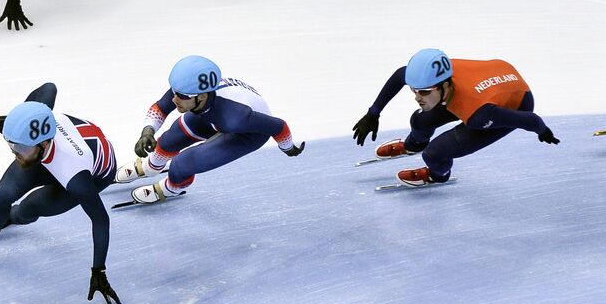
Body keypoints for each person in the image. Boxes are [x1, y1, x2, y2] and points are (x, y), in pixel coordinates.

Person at [0, 83, 121, 304]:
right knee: (0, 197)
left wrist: (99, 270)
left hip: (92, 174)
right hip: (56, 157)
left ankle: (11, 216)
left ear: (43, 143)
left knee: (29, 208)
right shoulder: (40, 118)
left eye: (20, 148)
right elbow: (50, 87)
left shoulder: (75, 175)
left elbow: (100, 219)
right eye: (12, 146)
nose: (15, 153)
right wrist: (16, 119)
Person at [353, 49, 559, 187]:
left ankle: (438, 175)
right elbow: (400, 75)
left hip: (515, 101)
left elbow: (530, 119)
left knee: (434, 154)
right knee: (419, 120)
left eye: (424, 92)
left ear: (444, 86)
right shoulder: (435, 76)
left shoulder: (479, 114)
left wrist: (543, 131)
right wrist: (373, 113)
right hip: (492, 75)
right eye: (414, 90)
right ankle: (414, 144)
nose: (417, 97)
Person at [114, 55, 304, 205]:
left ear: (202, 96)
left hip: (247, 133)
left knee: (182, 164)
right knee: (169, 139)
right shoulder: (190, 89)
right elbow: (160, 108)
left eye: (180, 96)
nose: (174, 99)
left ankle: (172, 188)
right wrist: (147, 131)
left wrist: (288, 148)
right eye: (174, 92)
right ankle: (151, 167)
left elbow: (278, 126)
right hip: (212, 114)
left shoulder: (235, 117)